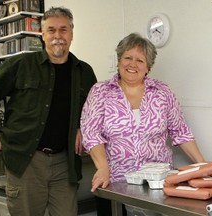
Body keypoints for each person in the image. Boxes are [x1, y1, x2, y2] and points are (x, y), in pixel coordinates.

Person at [0, 7, 97, 216]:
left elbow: (94, 110)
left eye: (63, 30)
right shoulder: (21, 65)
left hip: (65, 163)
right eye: (51, 30)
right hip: (26, 160)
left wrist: (82, 127)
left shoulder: (84, 71)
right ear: (42, 34)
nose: (58, 36)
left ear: (71, 33)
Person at [80, 33, 205, 216]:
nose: (133, 64)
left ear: (148, 67)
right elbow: (91, 133)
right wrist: (102, 168)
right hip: (114, 182)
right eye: (127, 58)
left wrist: (203, 165)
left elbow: (181, 132)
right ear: (118, 60)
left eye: (140, 60)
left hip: (157, 185)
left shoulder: (162, 92)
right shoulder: (101, 92)